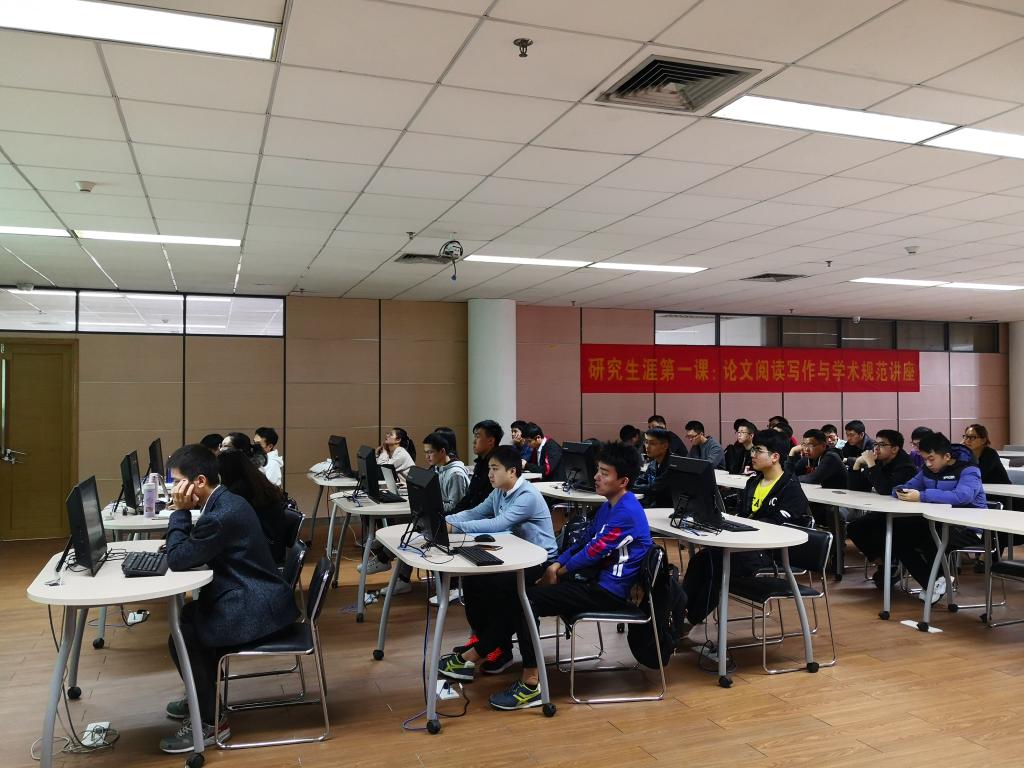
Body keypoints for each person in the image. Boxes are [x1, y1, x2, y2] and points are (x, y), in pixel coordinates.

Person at [488, 441, 652, 711]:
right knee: (516, 587)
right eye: (597, 470)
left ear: (623, 481)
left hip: (607, 592)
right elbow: (584, 541)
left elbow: (593, 552)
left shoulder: (627, 512)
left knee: (526, 600)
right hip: (591, 580)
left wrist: (559, 570)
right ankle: (483, 650)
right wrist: (555, 566)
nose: (596, 477)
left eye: (604, 473)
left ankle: (530, 683)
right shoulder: (610, 506)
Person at [159, 445, 298, 753]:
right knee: (188, 620)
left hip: (256, 605)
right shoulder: (224, 500)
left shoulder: (220, 515)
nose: (173, 490)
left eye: (177, 482)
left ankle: (211, 722)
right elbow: (192, 550)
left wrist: (179, 513)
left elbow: (179, 558)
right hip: (257, 593)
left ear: (199, 481)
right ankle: (202, 697)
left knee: (185, 633)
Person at [437, 445, 558, 681]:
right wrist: (443, 521)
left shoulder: (527, 495)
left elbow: (498, 524)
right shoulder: (500, 491)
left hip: (539, 562)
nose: (490, 474)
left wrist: (454, 528)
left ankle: (491, 649)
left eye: (495, 469)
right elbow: (474, 513)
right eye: (489, 469)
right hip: (514, 556)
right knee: (473, 581)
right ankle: (491, 645)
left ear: (512, 471)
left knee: (500, 589)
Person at [683, 429, 812, 625]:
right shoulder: (753, 482)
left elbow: (779, 527)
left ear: (775, 457)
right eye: (753, 450)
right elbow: (744, 515)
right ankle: (679, 612)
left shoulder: (790, 488)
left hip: (769, 552)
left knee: (718, 565)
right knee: (701, 559)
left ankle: (690, 618)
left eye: (758, 450)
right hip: (744, 544)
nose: (752, 454)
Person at [363, 430, 471, 591]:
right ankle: (393, 568)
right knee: (408, 529)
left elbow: (456, 507)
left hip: (449, 523)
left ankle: (388, 562)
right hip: (436, 517)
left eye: (430, 452)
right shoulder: (437, 469)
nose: (427, 457)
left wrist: (429, 504)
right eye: (425, 452)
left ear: (442, 451)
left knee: (410, 532)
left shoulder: (455, 474)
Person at [892, 432, 987, 602]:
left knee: (931, 539)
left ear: (947, 456)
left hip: (968, 527)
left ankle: (936, 582)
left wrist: (922, 496)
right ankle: (934, 582)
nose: (927, 464)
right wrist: (900, 491)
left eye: (931, 459)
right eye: (924, 459)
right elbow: (908, 486)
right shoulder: (927, 470)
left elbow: (962, 496)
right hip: (939, 524)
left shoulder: (969, 470)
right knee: (899, 536)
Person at [846, 430, 919, 580]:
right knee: (855, 527)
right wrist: (857, 464)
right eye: (875, 444)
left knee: (873, 529)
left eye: (881, 445)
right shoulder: (879, 461)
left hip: (904, 516)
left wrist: (871, 464)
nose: (876, 448)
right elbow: (856, 488)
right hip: (884, 512)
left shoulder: (905, 466)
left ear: (894, 449)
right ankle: (886, 563)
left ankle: (892, 563)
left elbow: (886, 490)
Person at [217, 448, 289, 563]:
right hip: (272, 547)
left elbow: (222, 520)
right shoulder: (257, 481)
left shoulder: (240, 490)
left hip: (263, 554)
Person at [452, 420, 503, 513]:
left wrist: (456, 517)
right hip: (469, 514)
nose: (474, 441)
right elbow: (469, 497)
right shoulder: (480, 463)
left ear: (491, 441)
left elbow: (484, 507)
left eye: (477, 437)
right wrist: (451, 514)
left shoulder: (497, 468)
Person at [636, 428, 673, 509]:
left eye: (652, 443)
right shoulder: (653, 464)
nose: (647, 447)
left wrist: (627, 487)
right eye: (646, 442)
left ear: (665, 446)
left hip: (670, 510)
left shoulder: (674, 465)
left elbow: (653, 488)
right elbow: (641, 480)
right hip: (656, 506)